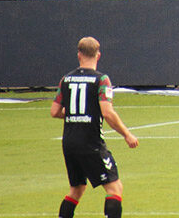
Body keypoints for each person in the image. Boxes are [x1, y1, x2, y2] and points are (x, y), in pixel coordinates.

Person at [51, 37, 138, 218]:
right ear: (98, 55)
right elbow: (107, 113)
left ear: (79, 55)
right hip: (91, 143)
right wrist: (127, 134)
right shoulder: (101, 80)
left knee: (76, 189)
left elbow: (54, 111)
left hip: (69, 142)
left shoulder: (65, 80)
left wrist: (75, 114)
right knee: (114, 188)